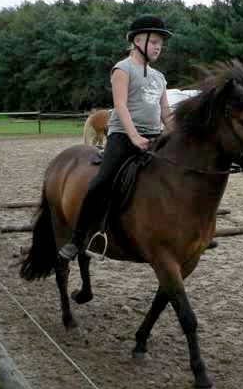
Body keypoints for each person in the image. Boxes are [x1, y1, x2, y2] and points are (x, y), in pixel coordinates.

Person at [59, 14, 174, 261]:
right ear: (137, 41)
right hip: (123, 136)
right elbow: (120, 106)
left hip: (154, 137)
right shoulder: (123, 69)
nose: (158, 47)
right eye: (154, 41)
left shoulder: (160, 77)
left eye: (160, 43)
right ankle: (78, 238)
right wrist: (134, 136)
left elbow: (166, 113)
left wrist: (178, 136)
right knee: (100, 183)